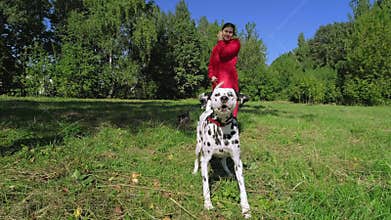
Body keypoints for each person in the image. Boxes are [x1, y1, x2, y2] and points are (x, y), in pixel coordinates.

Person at [208, 22, 241, 119]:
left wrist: (220, 41)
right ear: (222, 32)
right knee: (217, 103)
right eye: (226, 31)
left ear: (233, 34)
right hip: (216, 80)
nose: (228, 34)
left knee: (229, 101)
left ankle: (232, 125)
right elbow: (211, 64)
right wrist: (211, 76)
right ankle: (216, 128)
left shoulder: (235, 43)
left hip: (229, 79)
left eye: (230, 32)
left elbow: (224, 54)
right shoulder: (216, 47)